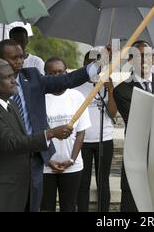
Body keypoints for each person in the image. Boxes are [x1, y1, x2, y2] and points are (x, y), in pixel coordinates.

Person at [0, 39, 98, 212]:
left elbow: (66, 80)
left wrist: (98, 64)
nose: (19, 61)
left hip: (34, 161)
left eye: (21, 56)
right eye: (14, 58)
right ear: (0, 60)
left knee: (32, 206)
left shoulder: (31, 77)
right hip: (1, 167)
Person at [0, 59, 72, 212]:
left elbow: (23, 138)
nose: (14, 81)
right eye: (8, 77)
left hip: (18, 185)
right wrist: (50, 133)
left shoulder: (11, 105)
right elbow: (11, 144)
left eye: (13, 76)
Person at [41, 57, 91, 212]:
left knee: (69, 207)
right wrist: (48, 160)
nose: (57, 76)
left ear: (66, 73)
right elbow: (36, 133)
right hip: (45, 166)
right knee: (45, 207)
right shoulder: (39, 98)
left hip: (72, 166)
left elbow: (81, 133)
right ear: (45, 75)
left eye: (60, 72)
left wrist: (71, 159)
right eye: (52, 73)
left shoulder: (76, 96)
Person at [114, 40, 154, 212]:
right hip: (136, 153)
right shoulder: (122, 90)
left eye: (149, 55)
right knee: (131, 203)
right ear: (130, 59)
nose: (145, 60)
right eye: (140, 56)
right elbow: (138, 118)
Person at [76, 51, 118, 212]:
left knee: (103, 182)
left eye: (97, 63)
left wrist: (111, 89)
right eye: (91, 63)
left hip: (104, 139)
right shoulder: (78, 85)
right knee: (83, 182)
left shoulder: (107, 84)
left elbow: (113, 113)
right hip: (83, 140)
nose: (95, 66)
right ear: (85, 65)